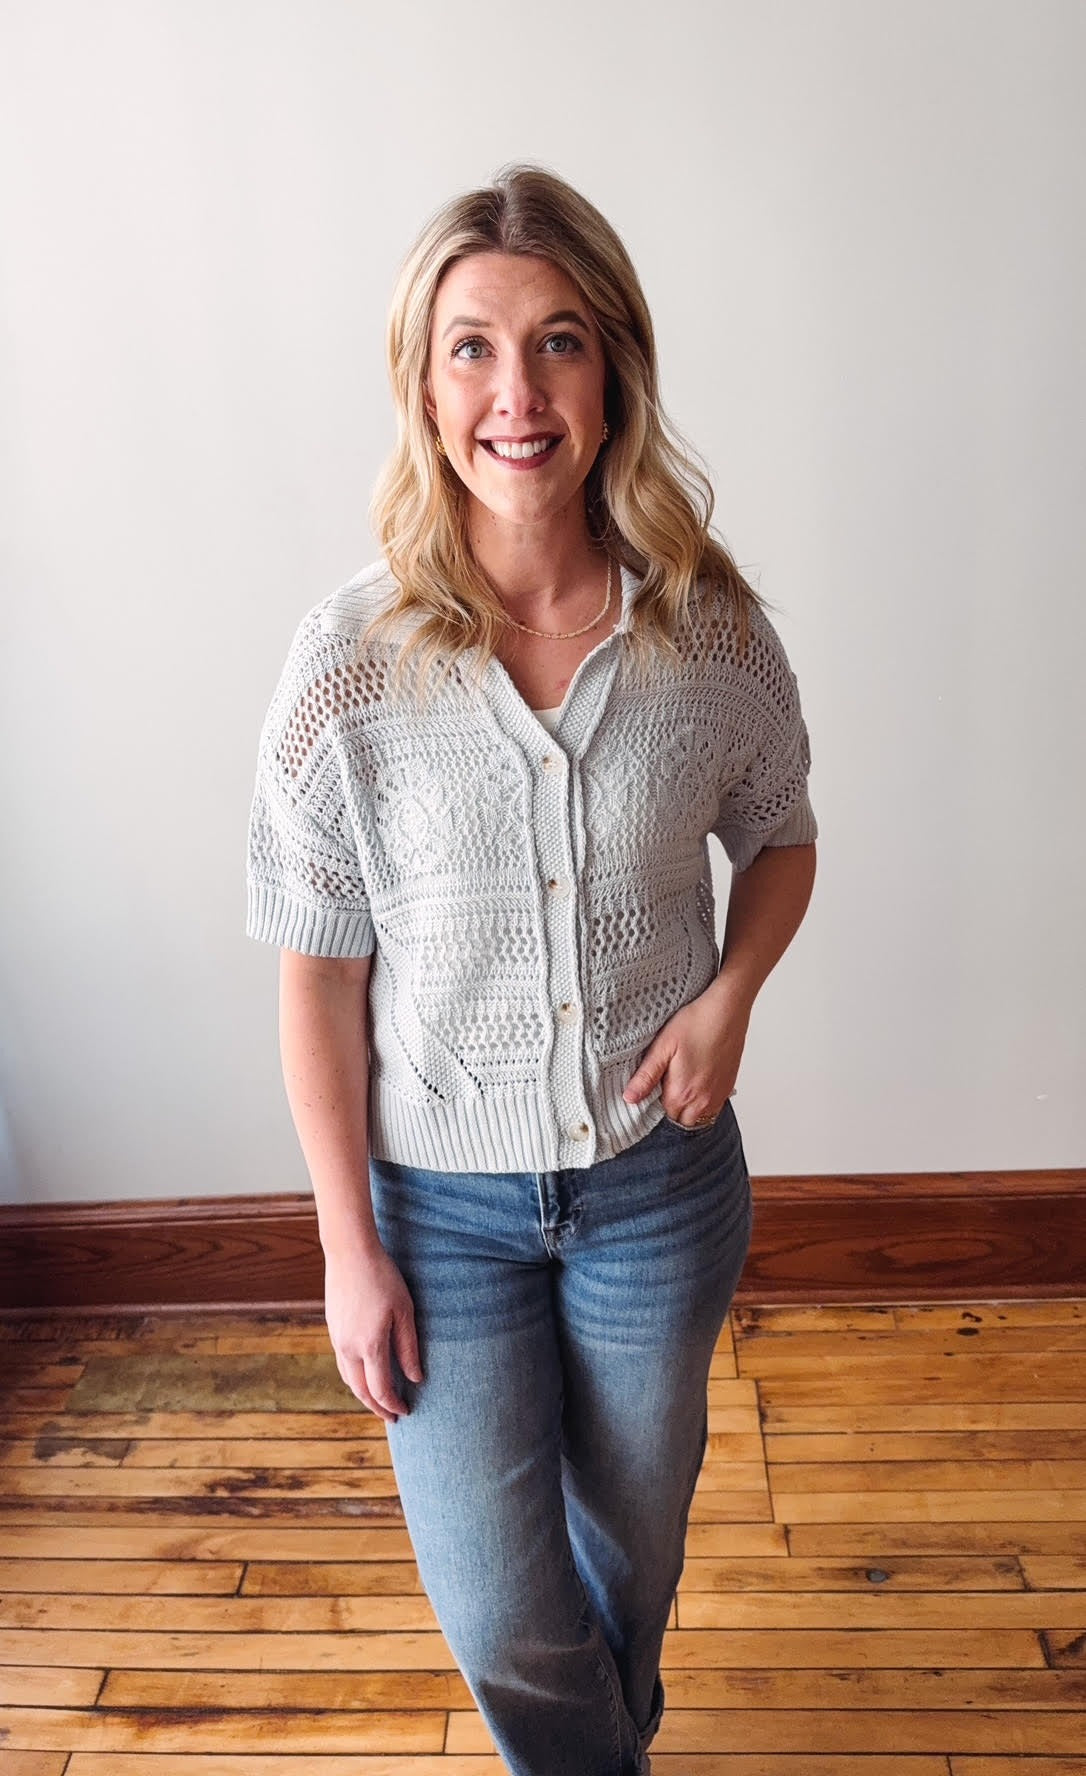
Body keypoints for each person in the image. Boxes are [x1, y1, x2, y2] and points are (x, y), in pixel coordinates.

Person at [246, 162, 817, 1776]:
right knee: (505, 1613)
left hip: (657, 1192)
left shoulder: (707, 631)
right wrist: (348, 1251)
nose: (516, 392)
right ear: (423, 388)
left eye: (557, 342)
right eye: (471, 348)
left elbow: (780, 836)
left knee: (630, 1555)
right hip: (441, 1212)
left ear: (615, 369)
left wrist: (728, 999)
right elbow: (314, 979)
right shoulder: (346, 666)